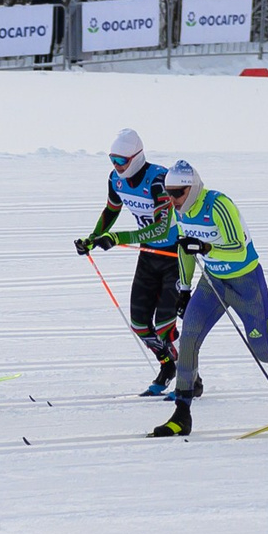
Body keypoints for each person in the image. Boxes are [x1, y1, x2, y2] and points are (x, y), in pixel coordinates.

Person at [149, 161, 268, 438]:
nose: (171, 200)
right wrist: (183, 288)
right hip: (213, 282)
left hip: (246, 282)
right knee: (189, 338)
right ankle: (182, 413)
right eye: (167, 193)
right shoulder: (180, 212)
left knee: (264, 350)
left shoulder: (218, 205)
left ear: (192, 189)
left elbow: (238, 250)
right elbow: (184, 250)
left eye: (177, 193)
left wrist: (205, 246)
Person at [76, 127, 191, 395]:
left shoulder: (158, 180)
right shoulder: (115, 181)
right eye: (112, 160)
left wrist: (117, 238)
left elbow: (162, 229)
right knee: (140, 324)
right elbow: (111, 210)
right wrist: (92, 239)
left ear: (136, 157)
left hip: (173, 255)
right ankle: (167, 366)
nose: (116, 167)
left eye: (121, 161)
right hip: (148, 255)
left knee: (165, 327)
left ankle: (191, 379)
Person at [30, 0, 63, 68]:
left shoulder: (57, 1)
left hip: (52, 31)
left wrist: (59, 35)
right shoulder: (36, 0)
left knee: (49, 53)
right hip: (39, 31)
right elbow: (31, 15)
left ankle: (48, 71)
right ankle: (37, 70)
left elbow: (61, 19)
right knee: (38, 53)